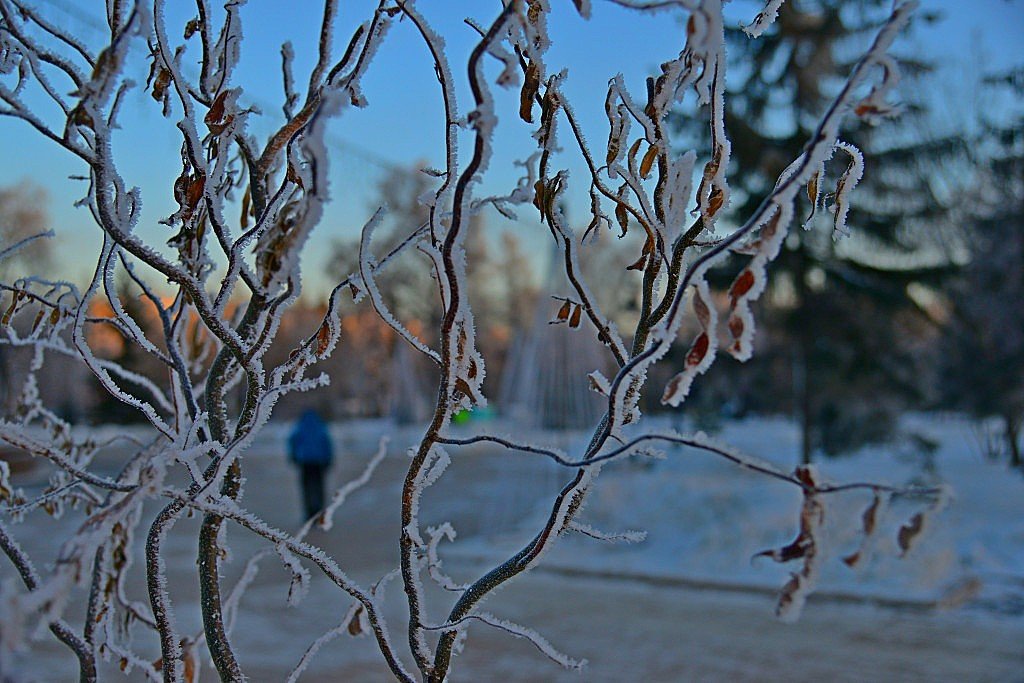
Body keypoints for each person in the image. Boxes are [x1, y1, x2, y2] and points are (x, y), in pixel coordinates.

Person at [287, 409, 334, 521]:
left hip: (305, 462)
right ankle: (319, 512)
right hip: (319, 462)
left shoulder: (300, 427)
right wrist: (329, 460)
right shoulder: (321, 427)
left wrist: (294, 457)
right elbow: (327, 444)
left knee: (307, 488)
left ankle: (309, 513)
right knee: (319, 487)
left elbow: (292, 442)